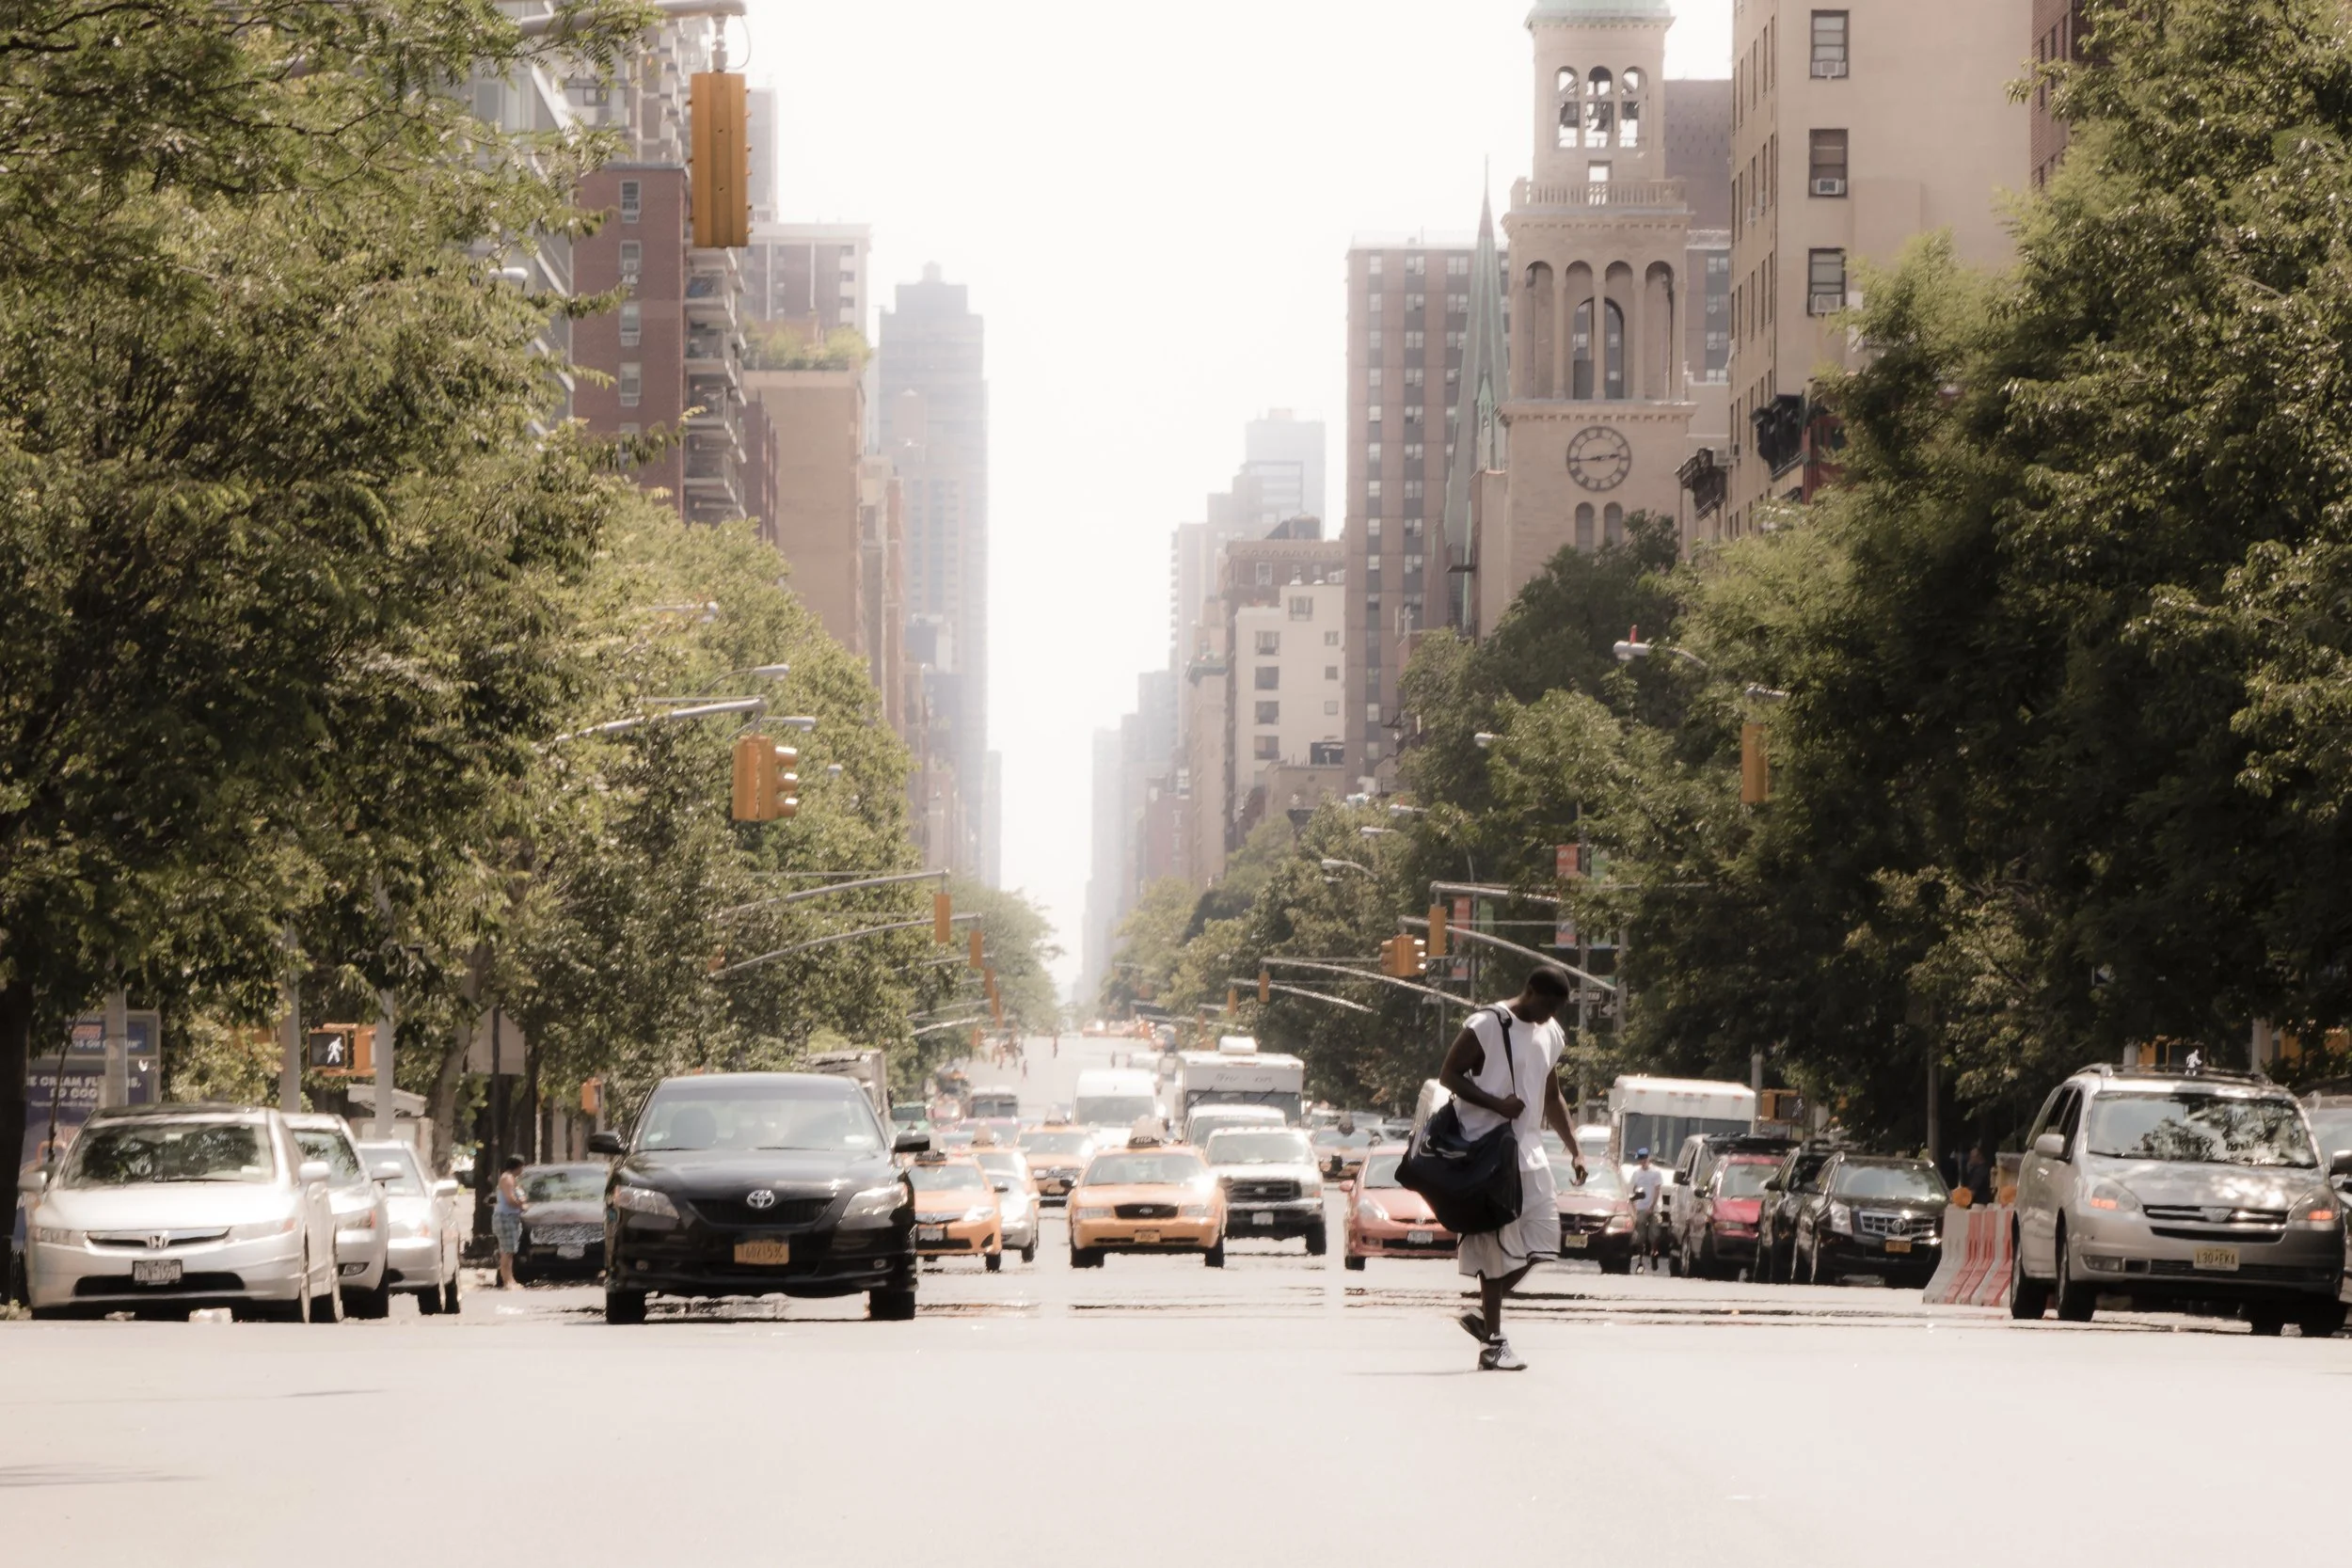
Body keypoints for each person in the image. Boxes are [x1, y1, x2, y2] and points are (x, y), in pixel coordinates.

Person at [1436, 966, 1583, 1372]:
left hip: (1529, 1153)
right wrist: (1496, 1104)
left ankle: (1486, 1318)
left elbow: (1552, 1096)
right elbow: (1448, 1075)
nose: (1551, 1014)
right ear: (1530, 990)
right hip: (1488, 1154)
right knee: (1496, 1250)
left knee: (1544, 1241)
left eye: (1558, 1008)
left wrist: (1575, 1149)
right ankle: (1493, 1344)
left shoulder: (1551, 1034)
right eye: (1548, 1004)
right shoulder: (1487, 1024)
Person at [493, 1153, 528, 1290]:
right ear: (517, 1166)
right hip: (505, 1217)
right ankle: (507, 1281)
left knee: (510, 1251)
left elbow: (520, 1195)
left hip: (512, 1217)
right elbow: (510, 1199)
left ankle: (511, 1280)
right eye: (521, 1167)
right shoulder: (507, 1178)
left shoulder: (513, 1179)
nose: (522, 1170)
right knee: (506, 1251)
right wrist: (521, 1205)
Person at [1628, 1148, 1665, 1268]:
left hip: (1654, 1208)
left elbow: (1657, 1190)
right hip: (1641, 1207)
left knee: (1654, 1235)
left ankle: (1654, 1252)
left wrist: (1652, 1206)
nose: (1642, 1161)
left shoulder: (1656, 1172)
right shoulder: (1636, 1173)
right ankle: (1640, 1261)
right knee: (1640, 1237)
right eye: (1640, 1159)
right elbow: (1633, 1190)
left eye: (1644, 1158)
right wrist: (1634, 1206)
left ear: (1648, 1158)